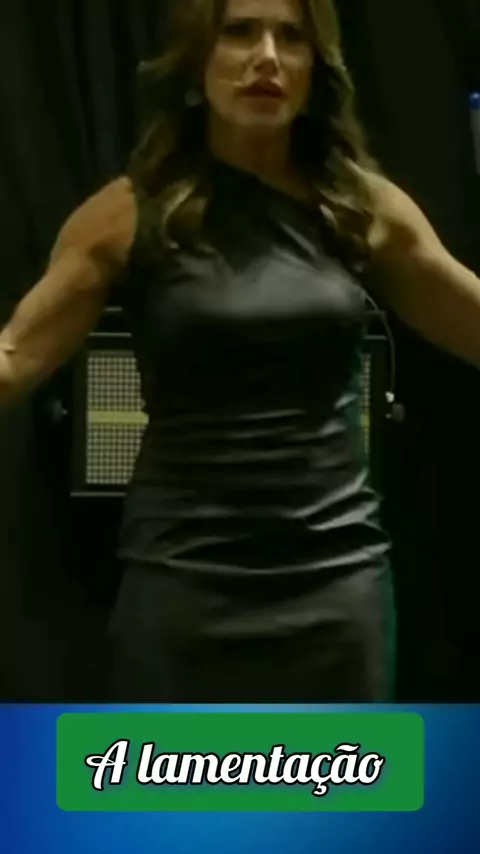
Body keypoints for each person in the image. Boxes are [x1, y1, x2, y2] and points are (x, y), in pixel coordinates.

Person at [1, 0, 480, 703]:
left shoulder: (359, 208)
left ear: (315, 69)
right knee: (181, 779)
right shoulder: (129, 214)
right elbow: (15, 357)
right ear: (197, 63)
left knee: (333, 780)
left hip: (333, 586)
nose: (267, 57)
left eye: (291, 38)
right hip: (182, 586)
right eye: (240, 33)